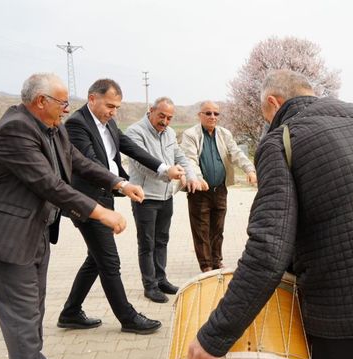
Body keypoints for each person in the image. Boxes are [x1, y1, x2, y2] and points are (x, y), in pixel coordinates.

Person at [186, 69, 353, 359]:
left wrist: (215, 336)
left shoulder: (280, 140)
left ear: (273, 101)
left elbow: (268, 251)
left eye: (266, 112)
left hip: (348, 317)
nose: (268, 120)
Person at [0, 73, 144, 359]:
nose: (66, 108)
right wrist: (101, 212)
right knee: (21, 315)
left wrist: (119, 183)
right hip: (4, 239)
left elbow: (80, 162)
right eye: (62, 102)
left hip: (34, 232)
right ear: (40, 101)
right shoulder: (15, 131)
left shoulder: (52, 127)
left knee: (35, 306)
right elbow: (48, 184)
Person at [57, 79, 183, 334]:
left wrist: (163, 168)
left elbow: (129, 148)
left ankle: (70, 312)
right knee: (110, 261)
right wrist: (123, 185)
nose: (114, 112)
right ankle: (128, 318)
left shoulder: (109, 123)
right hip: (86, 202)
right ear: (92, 99)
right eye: (110, 106)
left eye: (117, 107)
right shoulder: (77, 125)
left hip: (105, 197)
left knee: (96, 259)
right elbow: (89, 164)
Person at [125, 97, 203, 303]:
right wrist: (168, 173)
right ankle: (149, 286)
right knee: (147, 243)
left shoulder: (168, 133)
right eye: (162, 116)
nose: (165, 122)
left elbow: (180, 156)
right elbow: (141, 165)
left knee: (162, 240)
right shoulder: (134, 132)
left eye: (169, 118)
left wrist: (192, 176)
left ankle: (161, 279)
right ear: (151, 110)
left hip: (166, 196)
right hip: (144, 196)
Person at [180, 101, 257, 272]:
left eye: (216, 113)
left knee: (218, 228)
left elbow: (236, 153)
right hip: (199, 190)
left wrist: (249, 169)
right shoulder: (190, 134)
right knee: (201, 229)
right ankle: (206, 265)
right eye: (208, 113)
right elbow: (189, 159)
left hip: (220, 190)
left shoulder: (224, 134)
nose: (212, 117)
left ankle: (217, 260)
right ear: (199, 115)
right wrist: (198, 178)